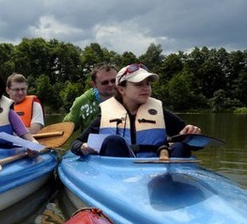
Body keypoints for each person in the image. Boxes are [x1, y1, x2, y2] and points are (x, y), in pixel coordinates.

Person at [70, 63, 201, 158]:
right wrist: (83, 147)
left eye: (148, 84)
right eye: (139, 84)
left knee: (180, 147)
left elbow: (197, 145)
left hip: (156, 172)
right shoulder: (105, 115)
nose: (146, 88)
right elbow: (76, 144)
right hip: (118, 174)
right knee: (113, 141)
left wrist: (190, 134)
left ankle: (176, 188)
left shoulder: (160, 113)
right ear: (121, 90)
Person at [63, 63, 118, 132]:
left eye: (113, 81)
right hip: (91, 141)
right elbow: (66, 128)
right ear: (94, 84)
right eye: (105, 82)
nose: (110, 84)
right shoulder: (82, 102)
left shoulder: (129, 97)